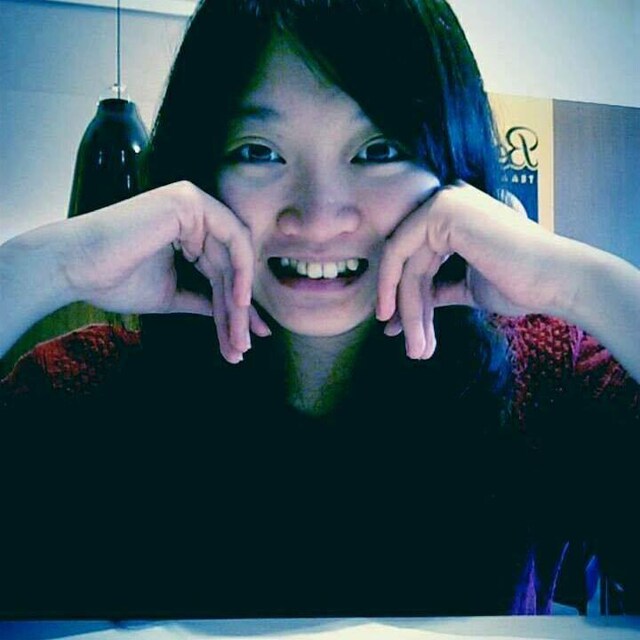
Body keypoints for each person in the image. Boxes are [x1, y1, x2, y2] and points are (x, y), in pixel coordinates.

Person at [1, 0, 638, 620]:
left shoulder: (547, 382)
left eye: (378, 149)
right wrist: (52, 265)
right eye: (259, 151)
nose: (318, 215)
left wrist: (577, 283)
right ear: (197, 171)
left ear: (454, 167)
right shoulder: (83, 398)